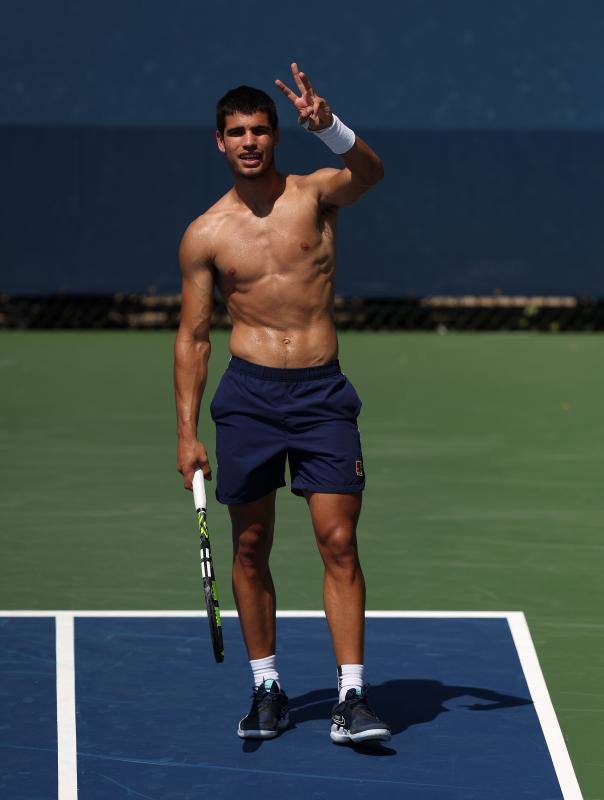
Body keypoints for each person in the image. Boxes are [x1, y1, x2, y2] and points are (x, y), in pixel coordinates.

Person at [174, 62, 390, 745]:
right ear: (219, 142)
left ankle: (352, 699)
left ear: (275, 137)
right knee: (249, 543)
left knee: (338, 542)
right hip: (249, 398)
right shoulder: (206, 234)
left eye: (260, 131)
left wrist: (333, 129)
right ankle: (266, 686)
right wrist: (186, 432)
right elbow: (193, 338)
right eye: (236, 132)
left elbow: (370, 174)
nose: (249, 142)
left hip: (322, 394)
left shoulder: (314, 195)